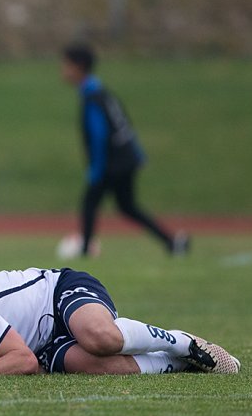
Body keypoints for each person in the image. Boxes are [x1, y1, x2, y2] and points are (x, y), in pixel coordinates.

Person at [0, 266, 239, 377]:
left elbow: (21, 360)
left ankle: (180, 342)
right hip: (42, 346)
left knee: (98, 337)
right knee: (99, 367)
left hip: (59, 293)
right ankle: (176, 364)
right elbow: (30, 362)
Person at [60, 43, 189, 257]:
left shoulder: (93, 97)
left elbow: (100, 134)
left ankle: (85, 250)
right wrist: (137, 155)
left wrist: (96, 169)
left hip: (113, 163)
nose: (63, 71)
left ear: (79, 67)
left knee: (90, 203)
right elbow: (123, 125)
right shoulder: (101, 92)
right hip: (125, 159)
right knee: (127, 206)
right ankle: (172, 242)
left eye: (66, 65)